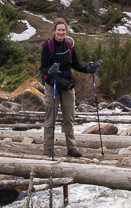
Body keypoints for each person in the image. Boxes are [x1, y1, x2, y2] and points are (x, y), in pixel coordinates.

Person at [39, 18, 99, 158]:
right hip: (52, 86)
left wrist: (89, 69)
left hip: (68, 86)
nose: (61, 32)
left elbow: (76, 65)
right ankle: (48, 148)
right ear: (54, 31)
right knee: (50, 119)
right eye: (59, 30)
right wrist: (50, 71)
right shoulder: (48, 46)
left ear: (66, 32)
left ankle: (71, 148)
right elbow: (42, 68)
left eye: (63, 30)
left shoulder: (69, 46)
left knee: (69, 120)